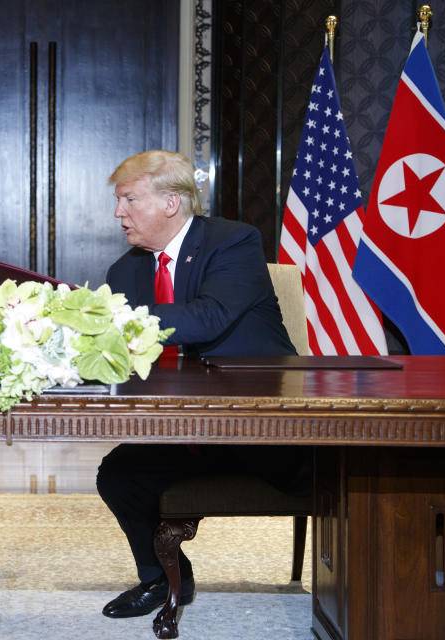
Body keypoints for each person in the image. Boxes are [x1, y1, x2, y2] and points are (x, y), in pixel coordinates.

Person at [96, 150, 309, 620]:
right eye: (118, 201)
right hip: (183, 425)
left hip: (263, 423)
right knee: (118, 475)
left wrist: (112, 319)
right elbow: (122, 355)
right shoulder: (126, 271)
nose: (118, 213)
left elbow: (207, 317)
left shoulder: (233, 242)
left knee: (342, 480)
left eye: (129, 199)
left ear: (171, 202)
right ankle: (163, 578)